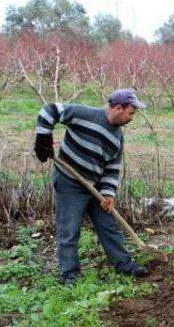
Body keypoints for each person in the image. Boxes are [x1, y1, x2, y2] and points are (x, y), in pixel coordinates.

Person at [34, 88, 149, 284]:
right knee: (69, 230)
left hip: (95, 188)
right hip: (69, 182)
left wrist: (108, 194)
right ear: (118, 108)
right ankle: (70, 274)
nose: (132, 117)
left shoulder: (118, 137)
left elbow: (112, 168)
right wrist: (43, 138)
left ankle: (123, 264)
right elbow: (48, 110)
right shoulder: (84, 114)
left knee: (109, 226)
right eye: (131, 112)